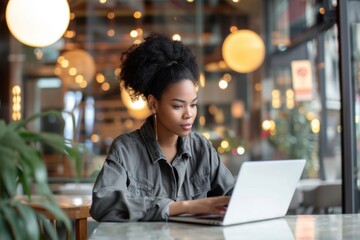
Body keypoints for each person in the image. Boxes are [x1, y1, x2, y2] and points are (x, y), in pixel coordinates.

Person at [90, 33, 235, 222]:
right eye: (177, 106)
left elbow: (234, 196)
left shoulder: (201, 148)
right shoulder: (126, 149)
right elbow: (104, 204)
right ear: (153, 103)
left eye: (193, 104)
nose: (188, 114)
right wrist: (184, 207)